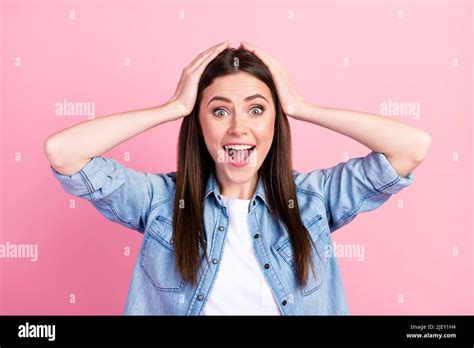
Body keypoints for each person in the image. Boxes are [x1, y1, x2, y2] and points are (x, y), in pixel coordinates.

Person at [44, 40, 431, 315]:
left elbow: (411, 147)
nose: (239, 128)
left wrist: (299, 106)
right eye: (219, 111)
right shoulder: (160, 201)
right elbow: (64, 152)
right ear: (198, 124)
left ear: (275, 124)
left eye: (257, 110)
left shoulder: (313, 199)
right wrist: (173, 107)